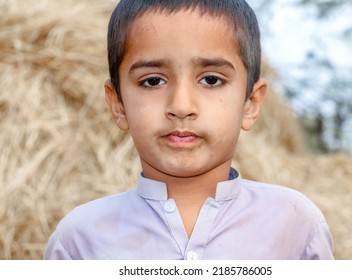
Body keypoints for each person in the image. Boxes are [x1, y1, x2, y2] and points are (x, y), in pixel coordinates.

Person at [44, 0, 334, 260]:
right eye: (153, 81)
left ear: (251, 103)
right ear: (118, 104)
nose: (181, 106)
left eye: (210, 80)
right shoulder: (79, 240)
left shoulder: (294, 225)